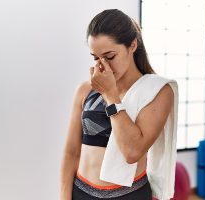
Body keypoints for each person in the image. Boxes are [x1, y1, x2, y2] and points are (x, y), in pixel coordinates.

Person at [60, 9, 177, 200]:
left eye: (110, 56)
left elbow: (132, 152)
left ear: (132, 46)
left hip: (129, 195)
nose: (102, 66)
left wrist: (110, 94)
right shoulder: (85, 90)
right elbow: (71, 152)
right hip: (81, 192)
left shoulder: (158, 91)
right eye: (96, 58)